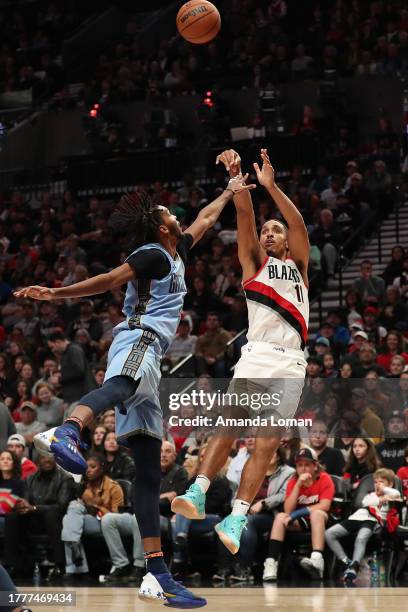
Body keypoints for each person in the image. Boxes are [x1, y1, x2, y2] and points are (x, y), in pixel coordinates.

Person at [16, 179, 250, 607]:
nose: (176, 216)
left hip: (153, 359)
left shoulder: (178, 251)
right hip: (137, 338)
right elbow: (108, 280)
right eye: (169, 214)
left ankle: (157, 573)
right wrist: (55, 292)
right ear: (161, 228)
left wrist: (231, 191)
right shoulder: (152, 254)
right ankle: (66, 430)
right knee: (119, 385)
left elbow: (206, 218)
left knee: (147, 470)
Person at [173, 148, 309, 556]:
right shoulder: (253, 263)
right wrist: (238, 180)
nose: (270, 233)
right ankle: (198, 491)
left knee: (266, 446)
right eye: (267, 230)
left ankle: (238, 516)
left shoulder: (300, 266)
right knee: (230, 424)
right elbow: (245, 217)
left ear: (286, 240)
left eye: (276, 230)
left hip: (292, 362)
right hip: (259, 355)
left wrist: (272, 186)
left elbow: (298, 223)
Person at [262, 448, 335, 581]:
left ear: (315, 466)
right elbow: (288, 510)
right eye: (300, 465)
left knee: (316, 514)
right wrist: (298, 485)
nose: (303, 468)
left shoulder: (324, 479)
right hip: (301, 521)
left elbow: (325, 505)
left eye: (307, 465)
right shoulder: (293, 481)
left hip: (321, 519)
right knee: (280, 517)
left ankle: (317, 559)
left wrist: (299, 513)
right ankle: (271, 563)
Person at [4, 456, 74, 578]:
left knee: (51, 515)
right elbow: (26, 502)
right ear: (37, 462)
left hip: (57, 519)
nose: (46, 460)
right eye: (43, 457)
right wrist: (22, 506)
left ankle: (59, 565)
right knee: (12, 517)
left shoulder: (65, 478)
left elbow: (61, 506)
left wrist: (34, 508)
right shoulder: (30, 478)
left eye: (50, 457)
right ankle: (12, 565)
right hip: (34, 518)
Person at [325, 468, 401, 582]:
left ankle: (354, 567)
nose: (377, 485)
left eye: (381, 482)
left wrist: (385, 491)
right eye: (375, 482)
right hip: (356, 517)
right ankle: (348, 562)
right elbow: (366, 503)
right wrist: (380, 498)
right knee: (329, 533)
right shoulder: (370, 495)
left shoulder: (392, 495)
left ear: (390, 484)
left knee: (361, 538)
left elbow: (397, 493)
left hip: (372, 520)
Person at [62, 453, 123, 576]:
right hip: (86, 520)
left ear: (101, 468)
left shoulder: (114, 487)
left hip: (105, 523)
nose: (88, 470)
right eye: (86, 467)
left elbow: (118, 516)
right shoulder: (83, 487)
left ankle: (74, 568)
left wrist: (96, 508)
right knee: (72, 511)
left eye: (92, 467)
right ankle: (75, 546)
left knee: (69, 523)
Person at [0, 450, 25, 535]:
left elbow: (6, 506)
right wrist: (3, 499)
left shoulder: (18, 483)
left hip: (9, 520)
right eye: (2, 459)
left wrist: (3, 501)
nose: (5, 461)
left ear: (14, 463)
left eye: (9, 459)